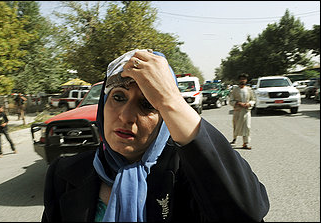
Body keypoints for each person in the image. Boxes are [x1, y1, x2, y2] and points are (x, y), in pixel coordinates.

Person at [41, 49, 269, 222]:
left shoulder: (189, 175)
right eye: (118, 97)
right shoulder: (64, 174)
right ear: (102, 105)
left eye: (148, 104)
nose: (126, 117)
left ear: (164, 116)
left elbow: (246, 212)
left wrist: (171, 101)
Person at [229, 73, 256, 149]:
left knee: (247, 126)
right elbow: (231, 101)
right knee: (236, 126)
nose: (242, 80)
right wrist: (238, 103)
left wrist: (249, 104)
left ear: (246, 80)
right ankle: (234, 139)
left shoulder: (249, 90)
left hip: (246, 111)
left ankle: (245, 143)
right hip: (238, 111)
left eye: (244, 79)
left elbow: (253, 100)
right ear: (239, 80)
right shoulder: (235, 90)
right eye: (241, 79)